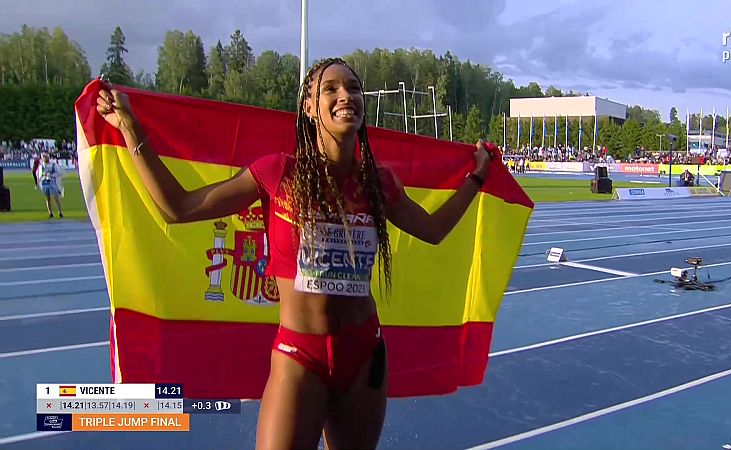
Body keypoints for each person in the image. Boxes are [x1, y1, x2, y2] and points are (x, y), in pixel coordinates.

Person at [95, 57, 492, 450]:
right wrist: (131, 128)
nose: (346, 95)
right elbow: (179, 208)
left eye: (353, 88)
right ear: (309, 107)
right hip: (299, 356)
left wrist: (476, 177)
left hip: (364, 353)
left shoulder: (378, 182)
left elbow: (434, 231)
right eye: (331, 89)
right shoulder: (277, 173)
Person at [36, 152, 64, 218]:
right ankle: (50, 213)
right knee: (48, 198)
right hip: (45, 183)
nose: (44, 158)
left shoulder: (53, 164)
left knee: (56, 197)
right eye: (43, 157)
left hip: (53, 182)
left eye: (45, 157)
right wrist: (42, 176)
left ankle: (60, 212)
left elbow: (59, 172)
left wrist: (52, 175)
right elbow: (38, 175)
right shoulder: (41, 166)